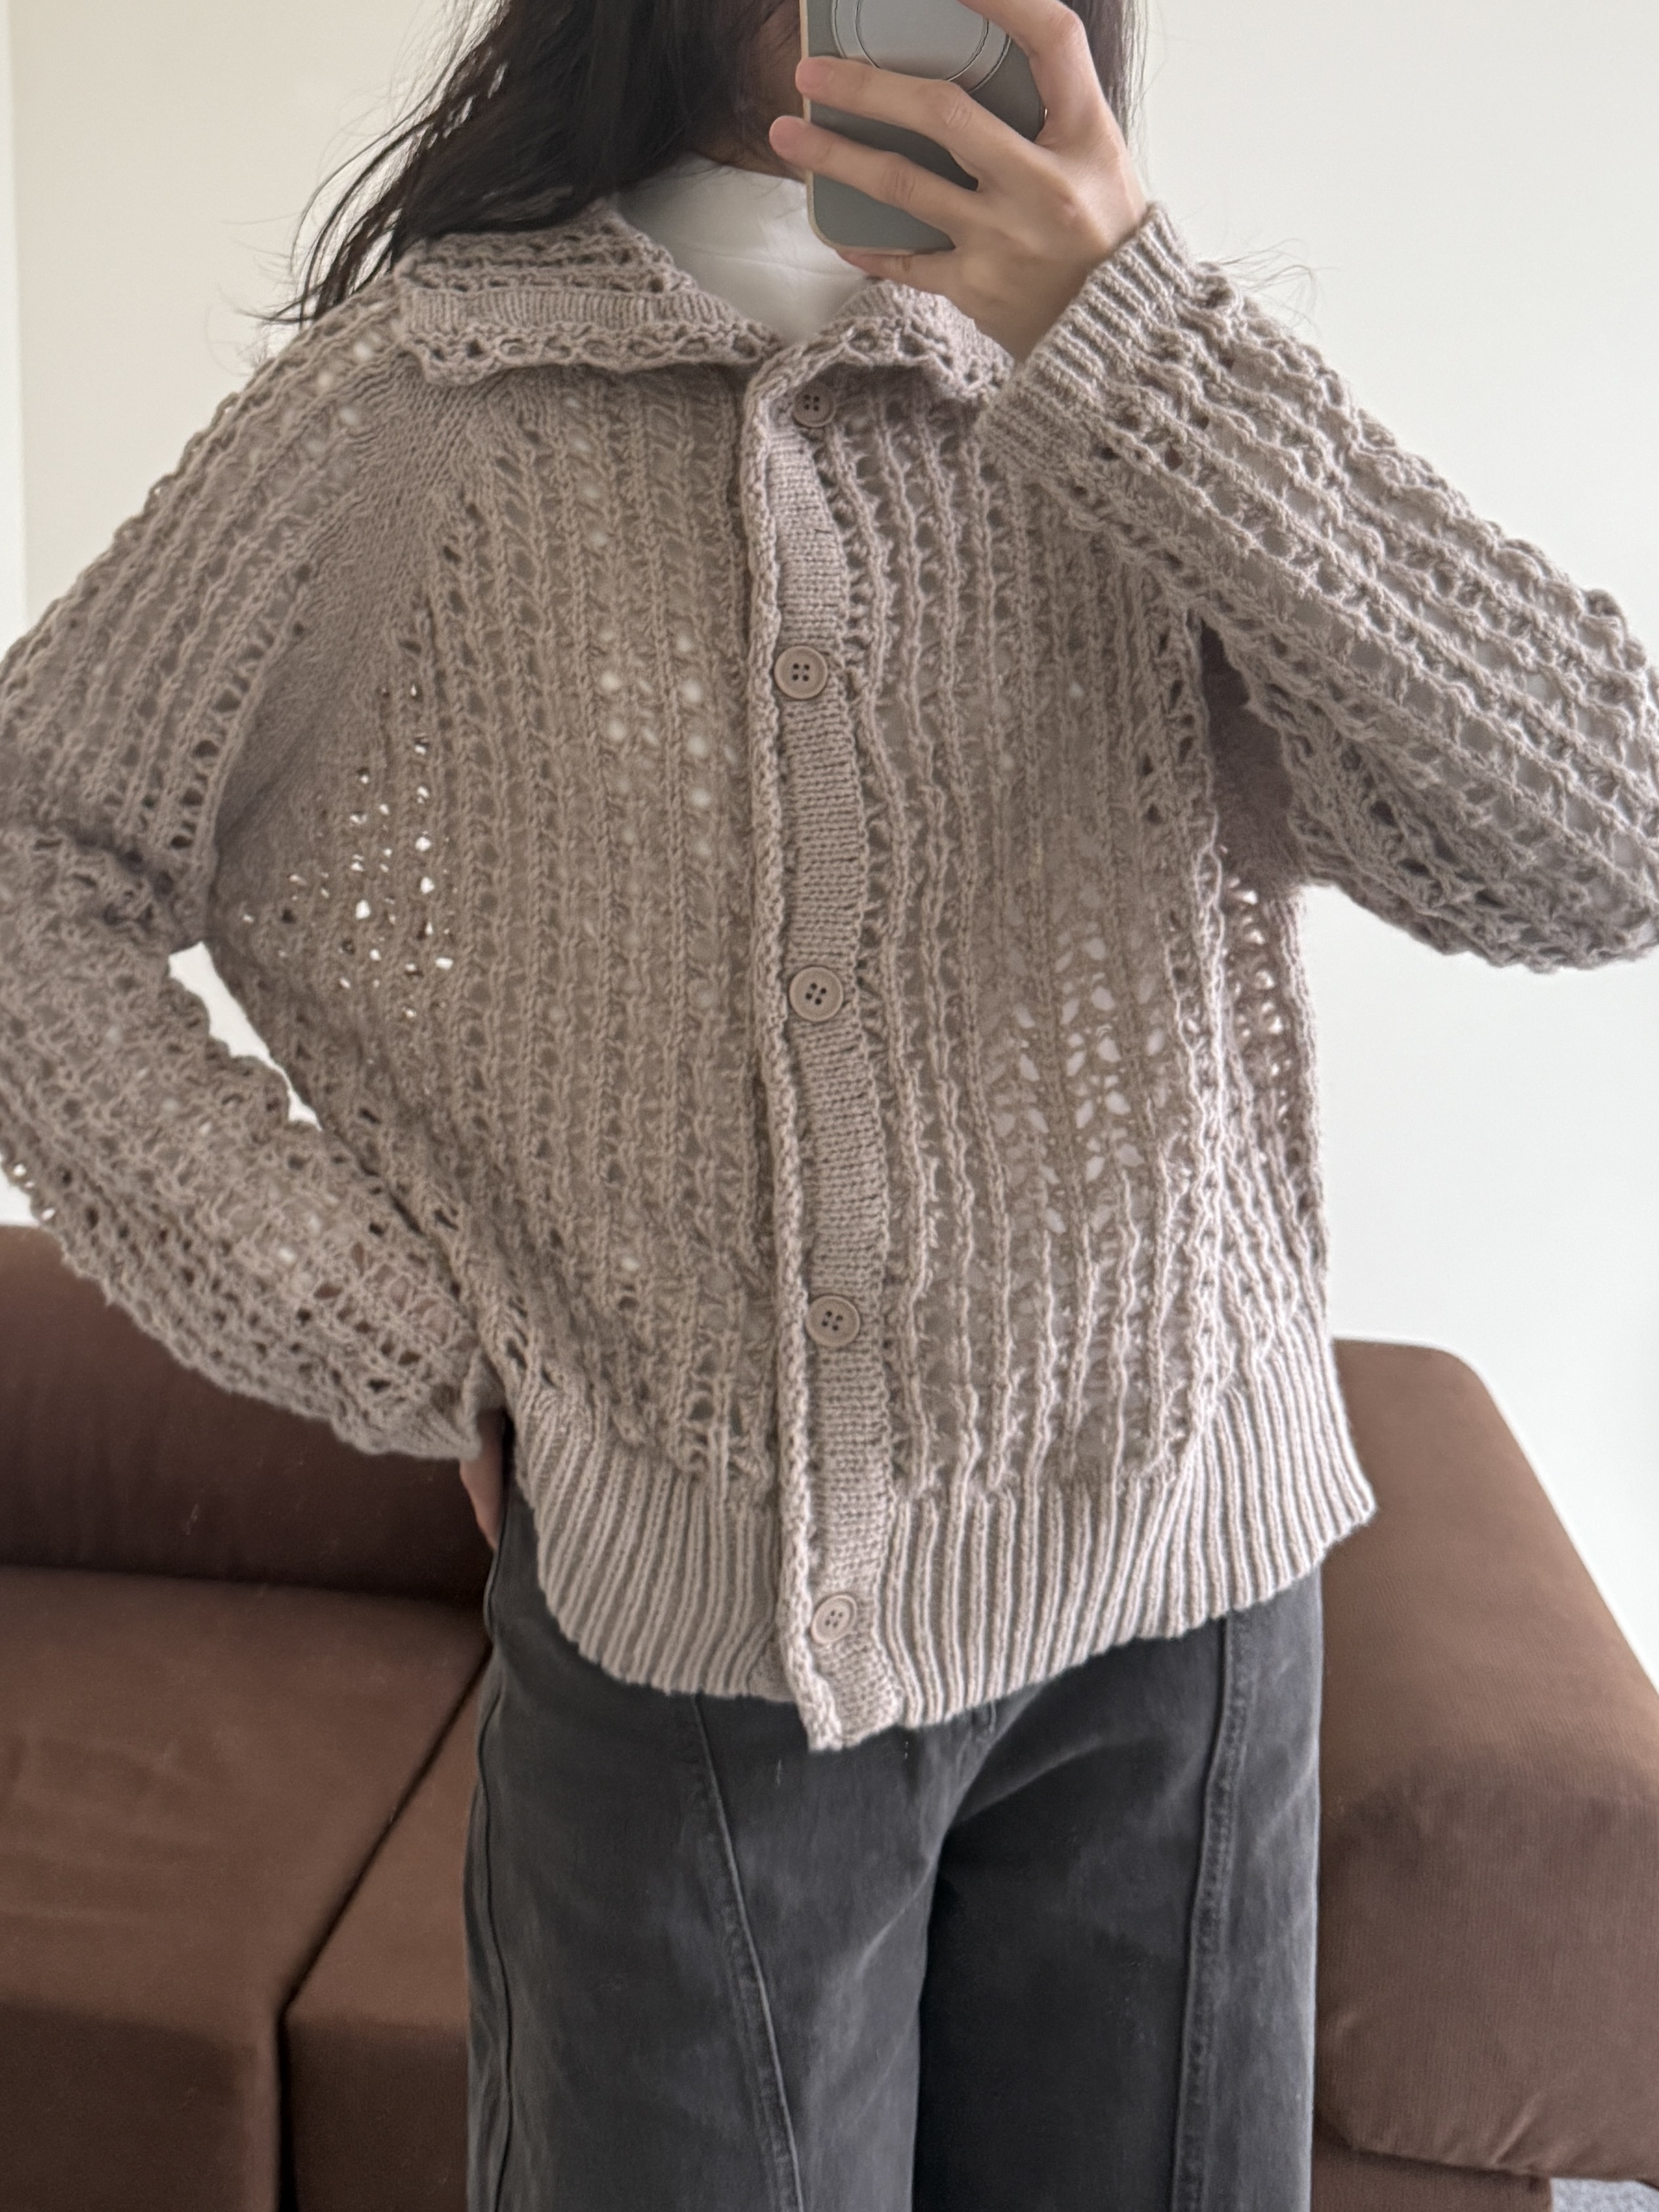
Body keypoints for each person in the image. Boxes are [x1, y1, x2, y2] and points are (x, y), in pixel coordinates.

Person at [1, 0, 1655, 2205]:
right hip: (704, 1669)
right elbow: (31, 866)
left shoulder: (1144, 395)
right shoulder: (422, 405)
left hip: (1191, 1613)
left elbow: (1597, 841)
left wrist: (1132, 339)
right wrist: (394, 1334)